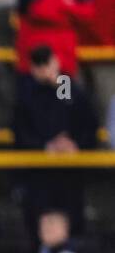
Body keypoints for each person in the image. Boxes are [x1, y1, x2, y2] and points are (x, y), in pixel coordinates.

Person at [13, 44, 99, 236]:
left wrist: (73, 143)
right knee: (39, 223)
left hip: (68, 172)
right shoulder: (27, 94)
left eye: (47, 63)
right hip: (39, 174)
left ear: (56, 62)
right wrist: (45, 146)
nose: (44, 69)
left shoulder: (66, 87)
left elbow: (81, 121)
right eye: (38, 65)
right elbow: (20, 132)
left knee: (71, 223)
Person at [64, 0, 115, 144]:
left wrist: (75, 9)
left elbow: (95, 15)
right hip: (69, 53)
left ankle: (107, 146)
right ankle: (70, 139)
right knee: (64, 94)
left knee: (108, 100)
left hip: (107, 52)